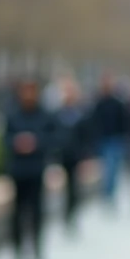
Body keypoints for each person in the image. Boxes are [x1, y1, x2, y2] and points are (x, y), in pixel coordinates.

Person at [3, 78, 57, 259]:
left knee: (36, 211)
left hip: (36, 170)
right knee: (18, 211)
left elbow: (53, 138)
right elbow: (4, 140)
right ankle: (17, 249)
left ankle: (36, 249)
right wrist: (17, 143)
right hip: (18, 171)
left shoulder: (44, 115)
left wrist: (35, 142)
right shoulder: (12, 114)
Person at [54, 78, 94, 234]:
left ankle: (72, 215)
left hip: (76, 156)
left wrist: (86, 156)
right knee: (64, 188)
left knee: (74, 188)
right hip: (63, 156)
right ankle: (66, 215)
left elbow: (87, 137)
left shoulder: (81, 114)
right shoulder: (58, 114)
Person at [91, 72, 130, 208]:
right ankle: (107, 194)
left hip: (115, 139)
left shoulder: (118, 103)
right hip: (103, 139)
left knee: (113, 169)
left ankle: (109, 194)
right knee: (107, 169)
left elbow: (124, 121)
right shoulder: (99, 103)